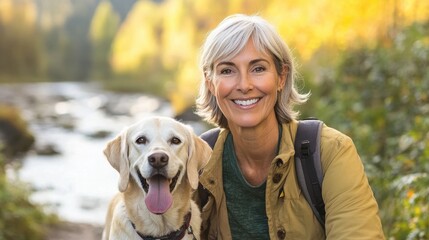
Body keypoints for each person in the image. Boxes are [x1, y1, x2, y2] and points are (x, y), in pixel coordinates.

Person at [195, 14, 384, 239]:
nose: (244, 85)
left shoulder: (330, 152)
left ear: (281, 77)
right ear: (210, 82)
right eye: (227, 70)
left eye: (258, 69)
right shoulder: (196, 160)